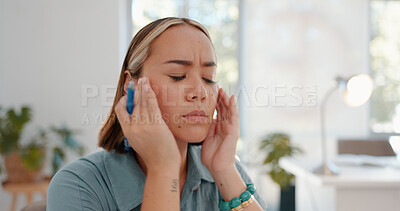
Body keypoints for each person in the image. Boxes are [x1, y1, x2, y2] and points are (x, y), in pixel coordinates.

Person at [47, 17, 268, 211]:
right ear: (130, 85)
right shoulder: (78, 185)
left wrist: (225, 171)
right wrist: (163, 168)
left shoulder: (227, 169)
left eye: (209, 78)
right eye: (177, 76)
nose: (200, 92)